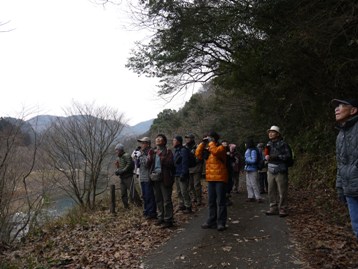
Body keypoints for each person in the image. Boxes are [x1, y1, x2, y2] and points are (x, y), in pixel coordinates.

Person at [331, 98, 358, 238]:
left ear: (353, 110)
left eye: (341, 105)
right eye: (336, 106)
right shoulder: (340, 135)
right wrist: (340, 186)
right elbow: (340, 163)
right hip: (350, 191)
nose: (336, 109)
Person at [196, 131, 228, 231]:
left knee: (221, 201)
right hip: (210, 178)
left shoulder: (221, 147)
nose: (208, 139)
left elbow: (216, 152)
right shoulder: (208, 149)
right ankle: (211, 220)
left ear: (215, 139)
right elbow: (198, 154)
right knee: (211, 201)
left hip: (220, 178)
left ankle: (221, 222)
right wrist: (202, 143)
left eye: (210, 138)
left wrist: (210, 143)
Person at [264, 126, 292, 217]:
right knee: (271, 190)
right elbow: (266, 155)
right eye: (269, 132)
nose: (270, 133)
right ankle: (273, 207)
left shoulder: (283, 144)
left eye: (273, 132)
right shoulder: (268, 144)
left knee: (282, 190)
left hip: (281, 169)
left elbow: (288, 156)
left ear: (277, 134)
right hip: (270, 169)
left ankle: (283, 208)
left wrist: (276, 157)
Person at [149, 134, 175, 228]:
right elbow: (149, 165)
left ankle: (168, 219)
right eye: (157, 139)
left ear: (164, 141)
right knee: (158, 199)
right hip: (155, 177)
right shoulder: (154, 151)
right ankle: (161, 217)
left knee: (166, 200)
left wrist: (162, 158)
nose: (158, 140)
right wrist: (150, 157)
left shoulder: (168, 151)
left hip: (165, 178)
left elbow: (171, 164)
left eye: (160, 139)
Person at [114, 143, 142, 209]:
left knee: (133, 192)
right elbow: (120, 167)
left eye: (117, 150)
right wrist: (117, 170)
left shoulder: (126, 155)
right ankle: (126, 207)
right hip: (122, 178)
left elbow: (129, 164)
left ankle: (139, 205)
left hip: (128, 177)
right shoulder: (119, 157)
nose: (116, 152)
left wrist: (122, 171)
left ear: (120, 150)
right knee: (123, 193)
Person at [136, 137, 157, 219]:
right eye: (141, 143)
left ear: (148, 144)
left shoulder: (150, 152)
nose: (142, 144)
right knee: (144, 196)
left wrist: (140, 157)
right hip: (142, 177)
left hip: (148, 177)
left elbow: (146, 164)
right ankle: (147, 211)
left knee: (149, 195)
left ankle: (152, 213)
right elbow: (138, 165)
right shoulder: (143, 153)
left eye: (143, 143)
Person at [173, 135, 192, 213]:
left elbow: (185, 163)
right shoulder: (176, 150)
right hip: (177, 173)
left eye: (174, 140)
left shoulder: (183, 150)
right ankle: (182, 204)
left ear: (178, 141)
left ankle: (188, 206)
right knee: (179, 191)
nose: (173, 142)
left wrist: (184, 174)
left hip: (182, 173)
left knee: (184, 191)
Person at [184, 133, 203, 206]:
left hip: (197, 168)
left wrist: (194, 161)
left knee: (196, 184)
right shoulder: (185, 147)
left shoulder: (197, 147)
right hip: (189, 168)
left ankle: (199, 199)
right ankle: (194, 197)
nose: (187, 139)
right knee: (190, 185)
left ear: (192, 139)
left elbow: (200, 157)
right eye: (186, 138)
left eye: (188, 138)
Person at [244, 138, 262, 203]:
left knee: (254, 183)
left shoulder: (253, 150)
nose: (245, 144)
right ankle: (251, 196)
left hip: (253, 169)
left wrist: (246, 160)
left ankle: (258, 197)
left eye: (246, 143)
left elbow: (254, 160)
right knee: (248, 184)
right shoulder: (248, 150)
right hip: (248, 169)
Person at [222, 140, 233, 206]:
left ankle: (227, 198)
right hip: (222, 171)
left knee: (229, 184)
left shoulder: (229, 153)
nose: (225, 145)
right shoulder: (220, 153)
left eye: (226, 144)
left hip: (228, 171)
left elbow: (231, 161)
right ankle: (225, 199)